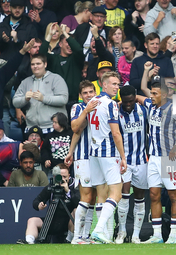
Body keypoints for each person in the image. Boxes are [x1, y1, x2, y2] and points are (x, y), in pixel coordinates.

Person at [135, 82, 176, 244]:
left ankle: (172, 236)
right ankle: (157, 236)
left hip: (169, 159)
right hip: (153, 158)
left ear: (164, 95)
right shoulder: (151, 106)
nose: (151, 96)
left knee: (173, 196)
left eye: (155, 93)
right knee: (154, 195)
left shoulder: (174, 110)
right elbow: (139, 97)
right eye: (151, 93)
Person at [88, 71, 127, 244]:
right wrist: (123, 156)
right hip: (108, 153)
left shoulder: (92, 101)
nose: (116, 87)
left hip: (93, 153)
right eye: (113, 84)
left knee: (101, 195)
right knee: (116, 194)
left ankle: (100, 233)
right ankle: (98, 230)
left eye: (118, 84)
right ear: (104, 84)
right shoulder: (111, 104)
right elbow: (116, 133)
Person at [64, 80, 98, 244]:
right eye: (85, 93)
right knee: (85, 196)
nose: (88, 95)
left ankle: (86, 235)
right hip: (83, 158)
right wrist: (86, 111)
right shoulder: (77, 108)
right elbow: (76, 128)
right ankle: (77, 236)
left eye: (91, 92)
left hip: (98, 158)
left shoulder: (100, 107)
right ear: (80, 95)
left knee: (93, 198)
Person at [115, 85, 148, 244]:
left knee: (140, 198)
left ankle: (135, 234)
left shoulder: (143, 111)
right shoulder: (116, 112)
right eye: (125, 102)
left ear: (135, 98)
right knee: (124, 195)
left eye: (131, 101)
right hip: (124, 161)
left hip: (141, 161)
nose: (128, 104)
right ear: (121, 99)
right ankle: (122, 232)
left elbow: (149, 98)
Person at [16, 163, 79, 244]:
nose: (62, 179)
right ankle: (29, 242)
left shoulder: (75, 185)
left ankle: (69, 240)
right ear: (54, 176)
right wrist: (39, 205)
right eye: (59, 177)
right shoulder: (52, 186)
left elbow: (78, 203)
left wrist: (68, 191)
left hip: (69, 223)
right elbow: (36, 201)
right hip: (52, 221)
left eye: (65, 177)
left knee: (76, 211)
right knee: (32, 221)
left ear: (69, 175)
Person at [12, 53, 69, 134]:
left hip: (53, 127)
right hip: (32, 128)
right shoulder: (26, 82)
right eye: (33, 64)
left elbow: (63, 99)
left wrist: (43, 98)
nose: (35, 66)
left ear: (45, 64)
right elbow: (15, 102)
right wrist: (25, 99)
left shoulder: (56, 78)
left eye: (38, 63)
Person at [40, 23, 84, 112]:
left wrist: (64, 33)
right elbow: (41, 54)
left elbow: (78, 49)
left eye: (71, 41)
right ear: (60, 44)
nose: (70, 45)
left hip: (75, 101)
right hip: (56, 101)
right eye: (67, 42)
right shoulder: (53, 59)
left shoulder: (76, 59)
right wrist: (49, 35)